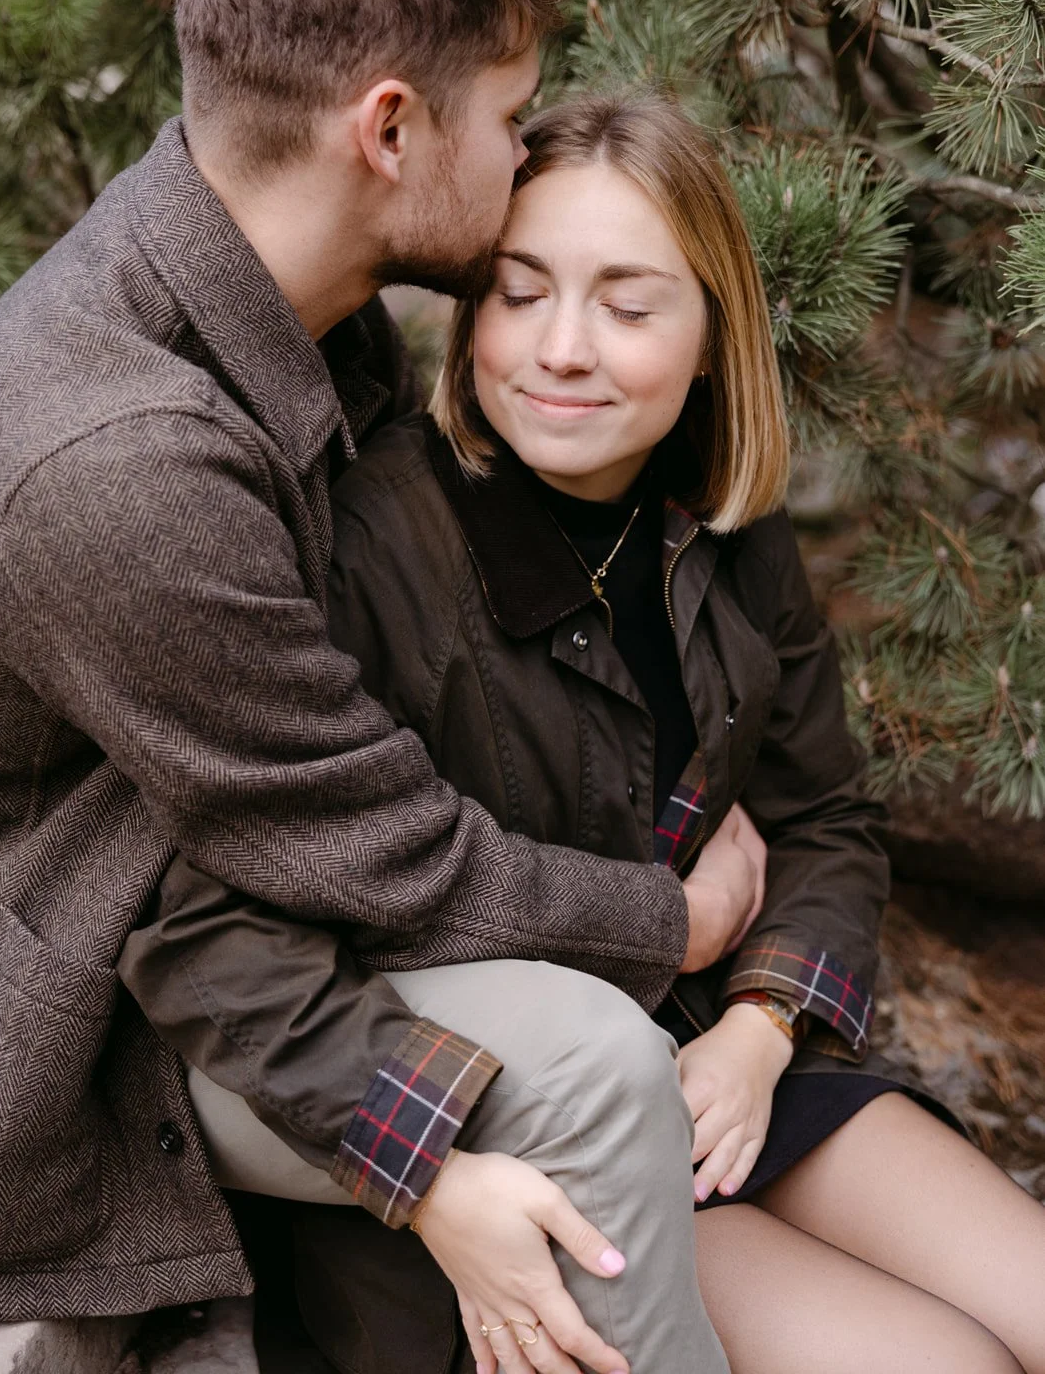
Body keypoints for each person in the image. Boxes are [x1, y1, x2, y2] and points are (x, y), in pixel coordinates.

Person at [0, 0, 742, 1374]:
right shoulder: (122, 464)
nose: (527, 165)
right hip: (76, 1012)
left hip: (227, 892)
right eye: (515, 123)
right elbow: (378, 852)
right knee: (591, 1062)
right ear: (388, 129)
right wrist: (678, 916)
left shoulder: (273, 286)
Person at [133, 92, 1045, 1374]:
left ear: (713, 336)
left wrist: (763, 1025)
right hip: (531, 1110)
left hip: (721, 1055)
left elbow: (823, 816)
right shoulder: (375, 545)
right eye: (518, 292)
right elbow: (213, 930)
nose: (564, 348)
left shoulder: (721, 520)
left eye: (627, 306)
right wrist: (433, 1166)